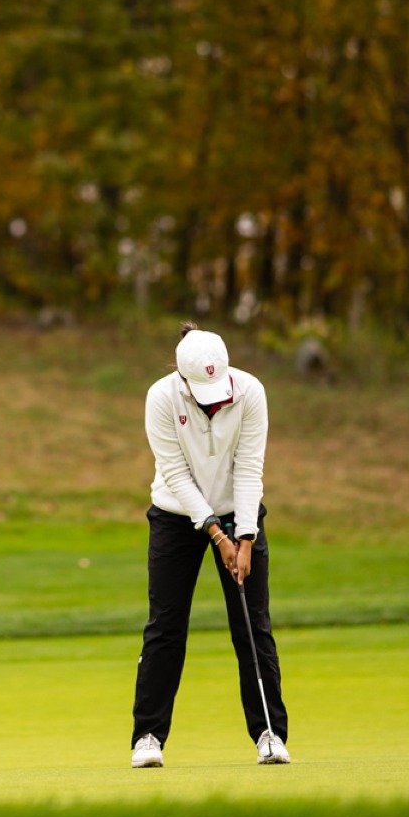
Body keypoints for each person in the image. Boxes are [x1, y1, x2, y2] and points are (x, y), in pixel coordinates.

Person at [130, 322, 290, 768]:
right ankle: (148, 737)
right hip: (176, 515)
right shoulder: (161, 397)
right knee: (165, 626)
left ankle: (270, 734)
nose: (213, 401)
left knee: (252, 623)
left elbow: (249, 466)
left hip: (240, 512)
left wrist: (245, 536)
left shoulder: (250, 391)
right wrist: (216, 534)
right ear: (183, 378)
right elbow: (175, 473)